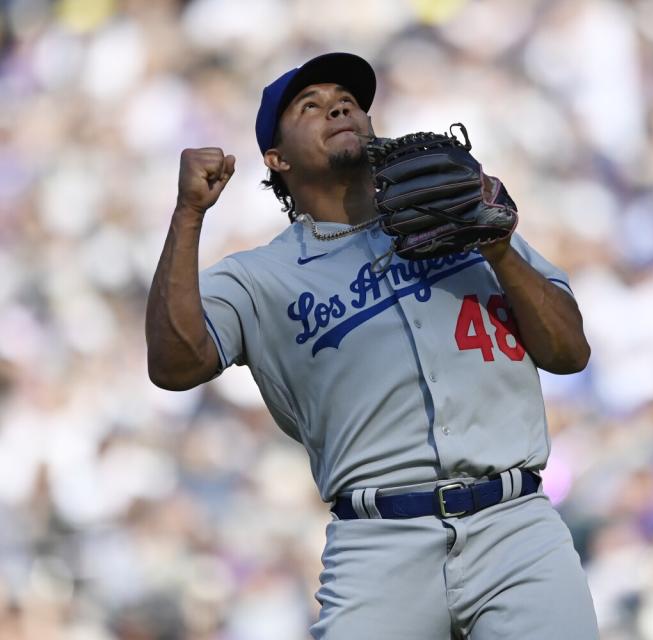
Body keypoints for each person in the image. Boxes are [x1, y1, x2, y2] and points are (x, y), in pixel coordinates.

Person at [145, 52, 599, 639]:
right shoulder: (260, 278)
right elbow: (174, 365)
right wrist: (188, 216)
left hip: (516, 525)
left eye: (348, 101)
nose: (336, 106)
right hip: (380, 542)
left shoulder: (461, 215)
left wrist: (498, 246)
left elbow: (570, 353)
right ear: (275, 160)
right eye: (309, 106)